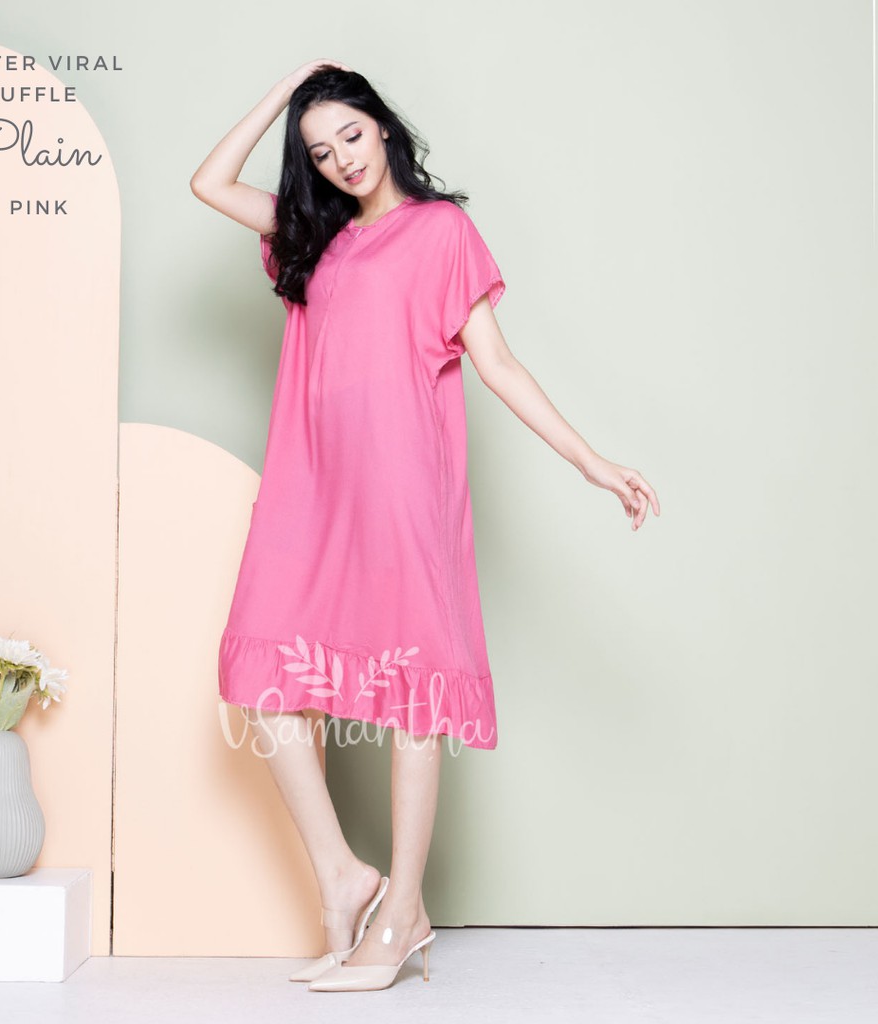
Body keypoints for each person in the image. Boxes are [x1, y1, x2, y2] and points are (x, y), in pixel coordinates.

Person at [190, 58, 660, 993]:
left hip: (405, 485)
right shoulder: (311, 236)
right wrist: (288, 89)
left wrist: (591, 461)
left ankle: (402, 911)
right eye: (319, 151)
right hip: (309, 484)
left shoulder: (441, 230)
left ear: (383, 127)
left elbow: (499, 365)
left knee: (414, 695)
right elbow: (208, 182)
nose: (341, 159)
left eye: (351, 134)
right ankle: (343, 876)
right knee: (263, 678)